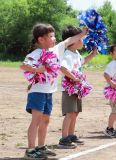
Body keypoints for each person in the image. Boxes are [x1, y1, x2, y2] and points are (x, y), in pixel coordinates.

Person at [20, 23, 87, 159]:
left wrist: (82, 34)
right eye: (51, 36)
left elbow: (68, 41)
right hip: (37, 92)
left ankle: (41, 146)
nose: (54, 38)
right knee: (36, 120)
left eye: (54, 35)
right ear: (41, 39)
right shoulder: (36, 53)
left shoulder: (56, 50)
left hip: (49, 92)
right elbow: (23, 66)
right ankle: (31, 150)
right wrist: (38, 69)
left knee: (45, 121)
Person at [58, 26, 98, 149]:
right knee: (69, 113)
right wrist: (73, 78)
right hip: (70, 88)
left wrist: (92, 54)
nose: (83, 41)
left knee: (75, 112)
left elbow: (83, 61)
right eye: (80, 38)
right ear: (73, 41)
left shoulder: (75, 53)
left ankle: (71, 135)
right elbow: (63, 68)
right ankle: (64, 138)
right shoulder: (68, 54)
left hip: (77, 88)